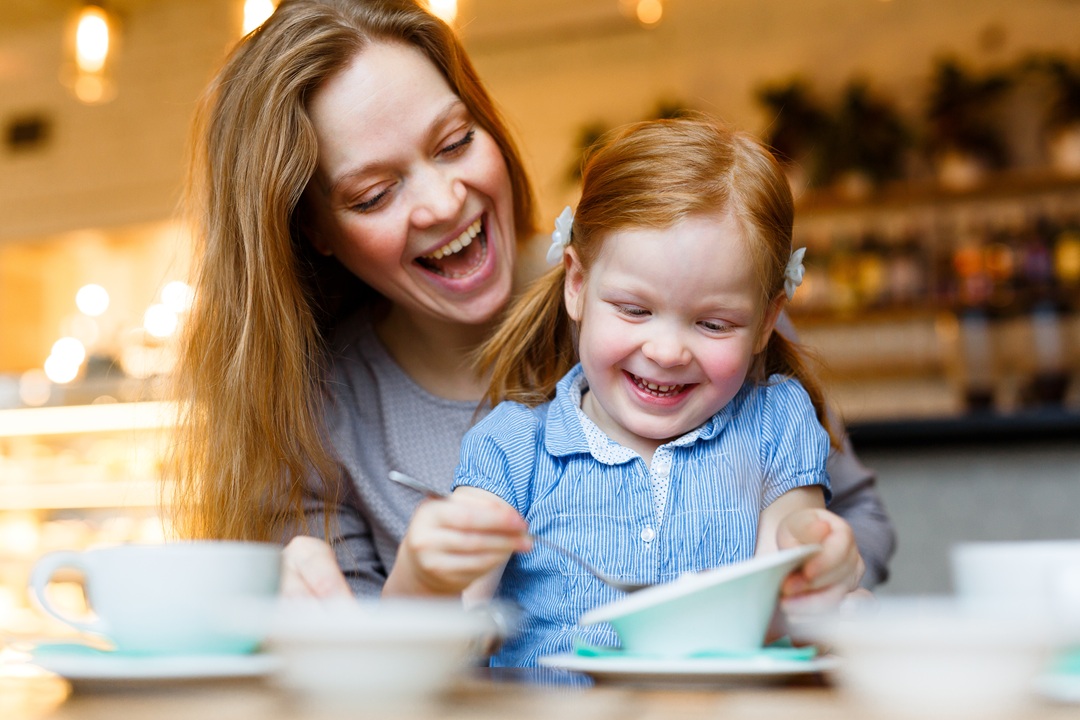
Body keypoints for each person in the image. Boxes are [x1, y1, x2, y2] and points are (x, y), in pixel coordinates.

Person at [168, 0, 894, 599]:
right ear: (311, 229)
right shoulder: (316, 413)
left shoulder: (679, 291)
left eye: (454, 142)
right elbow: (369, 661)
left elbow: (852, 514)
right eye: (375, 193)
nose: (443, 201)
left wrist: (824, 568)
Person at [382, 116, 864, 666]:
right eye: (635, 311)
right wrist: (423, 579)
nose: (667, 351)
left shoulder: (777, 423)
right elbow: (435, 648)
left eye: (713, 324)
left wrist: (818, 558)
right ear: (578, 285)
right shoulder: (512, 448)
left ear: (766, 321)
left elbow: (789, 590)